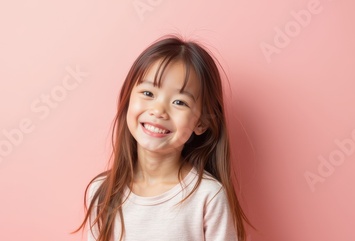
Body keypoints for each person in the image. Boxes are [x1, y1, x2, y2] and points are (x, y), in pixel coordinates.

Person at [73, 35, 252, 241]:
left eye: (179, 102)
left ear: (201, 123)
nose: (158, 110)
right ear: (127, 99)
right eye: (148, 93)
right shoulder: (101, 192)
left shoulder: (208, 196)